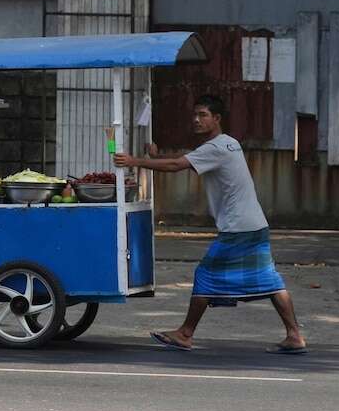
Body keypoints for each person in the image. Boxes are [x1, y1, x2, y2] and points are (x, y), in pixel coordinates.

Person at [113, 94, 307, 354]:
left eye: (203, 115)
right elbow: (188, 160)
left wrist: (137, 162)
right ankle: (294, 335)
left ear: (217, 119)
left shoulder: (214, 148)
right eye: (195, 115)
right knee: (270, 280)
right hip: (254, 224)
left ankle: (185, 333)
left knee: (206, 274)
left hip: (238, 228)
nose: (196, 120)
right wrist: (158, 157)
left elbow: (176, 165)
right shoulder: (228, 144)